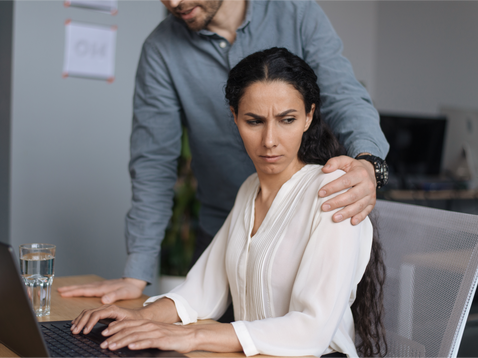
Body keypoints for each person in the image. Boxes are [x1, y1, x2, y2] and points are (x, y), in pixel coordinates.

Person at [58, 0, 389, 303]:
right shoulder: (161, 50)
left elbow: (344, 96)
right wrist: (136, 274)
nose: (174, 3)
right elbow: (153, 164)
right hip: (223, 233)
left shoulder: (295, 13)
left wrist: (368, 162)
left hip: (305, 227)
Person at [70, 48, 386, 358]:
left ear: (309, 116)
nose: (270, 140)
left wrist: (191, 336)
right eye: (254, 121)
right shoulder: (250, 190)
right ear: (234, 118)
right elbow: (202, 291)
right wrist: (141, 317)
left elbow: (311, 330)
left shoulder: (336, 191)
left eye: (287, 119)